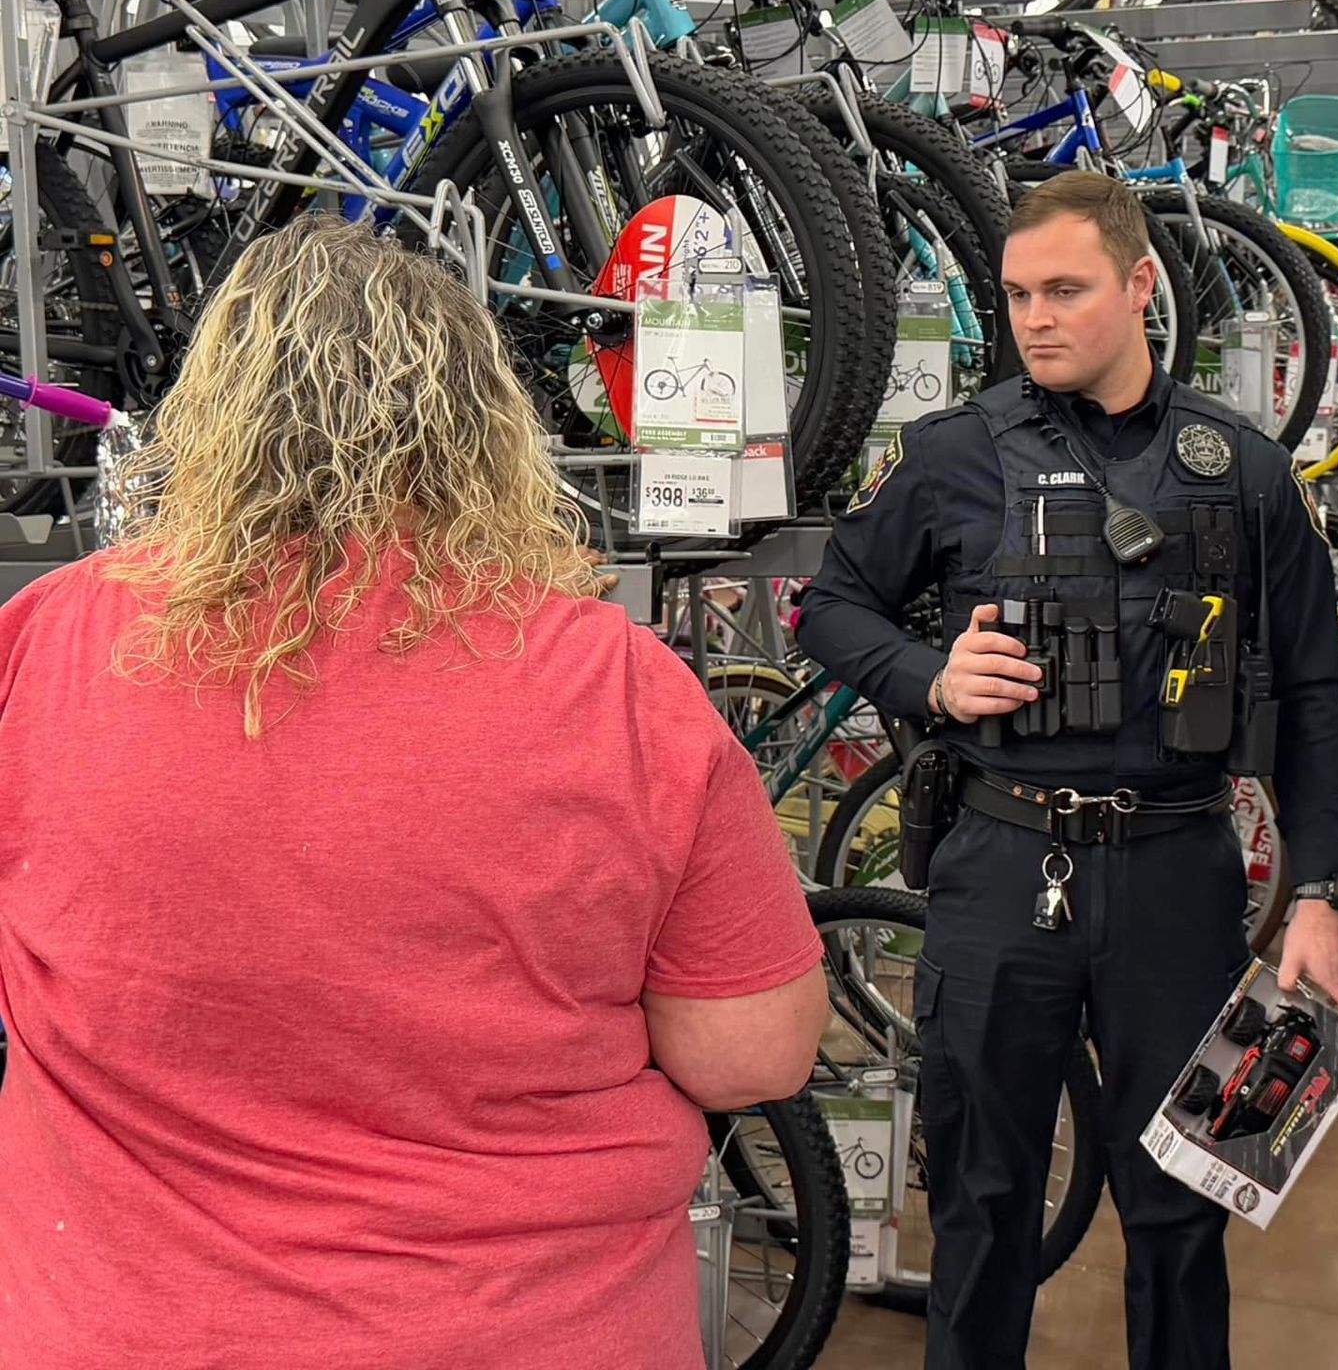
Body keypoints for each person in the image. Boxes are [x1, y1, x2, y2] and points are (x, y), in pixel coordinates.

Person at [0, 218, 827, 1370]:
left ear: (210, 414)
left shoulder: (45, 645)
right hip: (531, 1328)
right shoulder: (616, 688)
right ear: (481, 431)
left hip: (129, 1330)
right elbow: (754, 1054)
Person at [797, 171, 1338, 1370]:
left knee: (1182, 1208)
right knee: (981, 1206)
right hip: (1002, 868)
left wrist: (1320, 894)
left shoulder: (1247, 474)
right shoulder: (954, 457)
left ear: (1142, 286)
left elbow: (1317, 695)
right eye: (1015, 296)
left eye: (1067, 289)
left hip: (1178, 878)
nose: (1037, 318)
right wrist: (930, 677)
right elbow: (832, 605)